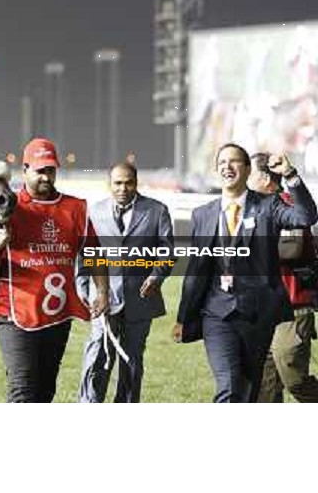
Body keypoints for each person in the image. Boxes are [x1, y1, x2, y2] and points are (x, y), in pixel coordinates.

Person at [172, 143, 317, 402]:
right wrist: (184, 317)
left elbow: (306, 216)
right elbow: (196, 270)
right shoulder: (202, 215)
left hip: (262, 314)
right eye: (222, 162)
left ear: (248, 170)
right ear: (217, 169)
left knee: (254, 391)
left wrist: (291, 175)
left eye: (235, 161)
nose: (228, 166)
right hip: (217, 315)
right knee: (229, 386)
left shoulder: (269, 205)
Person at [0, 138, 109, 402]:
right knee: (22, 391)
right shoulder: (5, 205)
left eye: (50, 170)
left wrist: (102, 290)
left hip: (57, 314)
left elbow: (93, 252)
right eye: (39, 170)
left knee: (45, 392)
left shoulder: (76, 208)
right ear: (24, 170)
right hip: (14, 313)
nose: (46, 176)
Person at [79, 161, 174, 403]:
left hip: (140, 300)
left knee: (132, 361)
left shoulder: (156, 211)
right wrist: (82, 288)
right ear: (109, 184)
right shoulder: (94, 211)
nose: (123, 188)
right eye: (118, 183)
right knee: (97, 356)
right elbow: (83, 253)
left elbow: (167, 253)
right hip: (103, 300)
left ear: (136, 183)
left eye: (128, 182)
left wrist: (156, 276)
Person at [249, 152, 318, 402]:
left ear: (267, 179)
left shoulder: (289, 205)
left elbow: (290, 249)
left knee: (295, 379)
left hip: (293, 306)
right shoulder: (247, 210)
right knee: (263, 391)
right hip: (259, 310)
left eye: (251, 173)